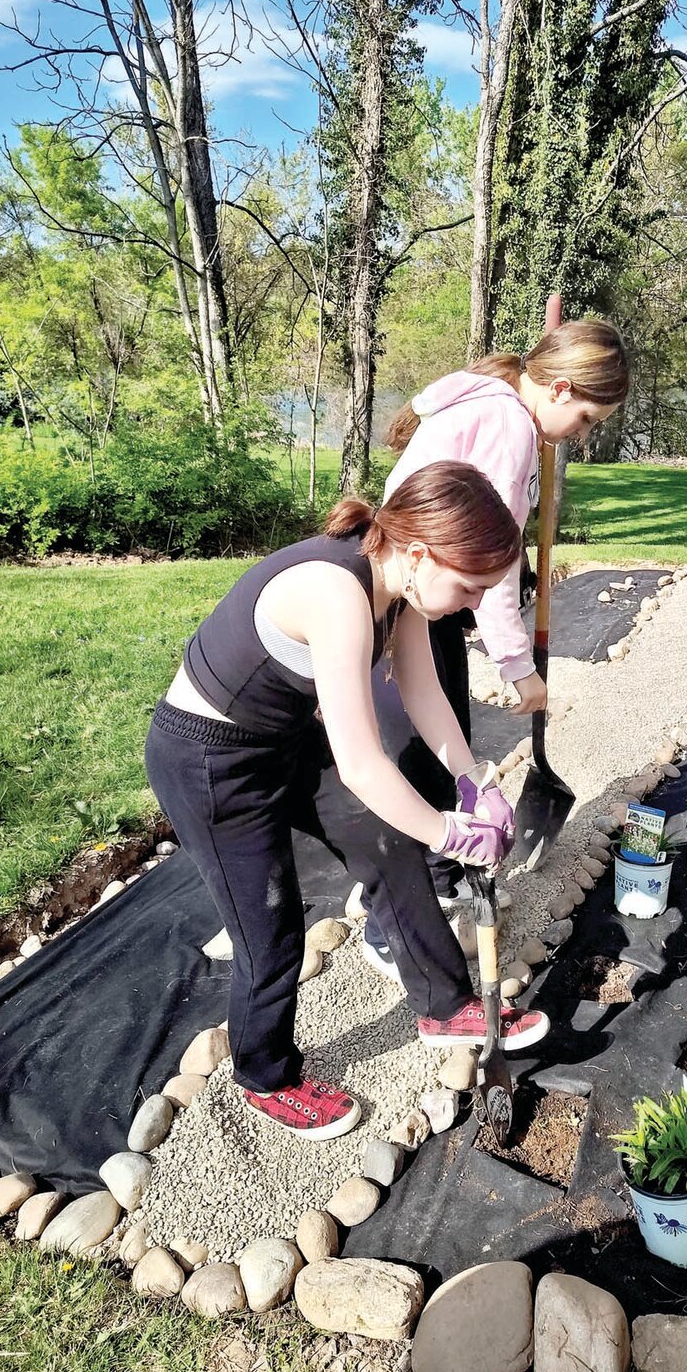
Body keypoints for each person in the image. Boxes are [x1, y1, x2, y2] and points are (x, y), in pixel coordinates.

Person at [145, 461, 550, 1143]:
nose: (475, 603)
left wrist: (471, 781)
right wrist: (450, 834)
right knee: (267, 932)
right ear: (420, 552)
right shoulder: (336, 594)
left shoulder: (401, 588)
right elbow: (362, 764)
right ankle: (264, 1075)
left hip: (279, 739)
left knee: (384, 840)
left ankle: (444, 1005)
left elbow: (422, 694)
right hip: (210, 762)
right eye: (470, 585)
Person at [361, 320, 630, 975]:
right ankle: (390, 923)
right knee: (421, 754)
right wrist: (518, 669)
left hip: (415, 586)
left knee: (433, 743)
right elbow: (496, 569)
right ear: (560, 389)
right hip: (412, 592)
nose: (583, 434)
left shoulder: (499, 405)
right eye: (587, 419)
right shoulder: (509, 427)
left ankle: (436, 879)